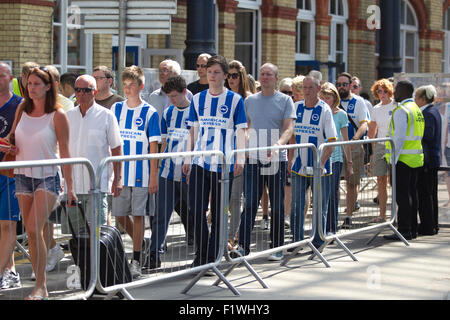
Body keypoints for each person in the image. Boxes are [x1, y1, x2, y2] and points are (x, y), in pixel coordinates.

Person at [9, 66, 77, 300]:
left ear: (49, 86)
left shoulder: (57, 114)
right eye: (29, 84)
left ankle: (41, 286)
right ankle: (40, 285)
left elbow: (66, 153)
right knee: (30, 230)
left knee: (34, 227)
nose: (32, 88)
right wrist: (9, 146)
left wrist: (71, 188)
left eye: (37, 84)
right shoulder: (22, 108)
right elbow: (13, 138)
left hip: (47, 176)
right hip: (21, 175)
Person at [182, 55, 247, 267]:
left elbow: (240, 130)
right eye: (209, 72)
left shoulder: (235, 100)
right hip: (201, 161)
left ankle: (211, 257)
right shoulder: (198, 99)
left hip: (223, 163)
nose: (212, 75)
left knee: (219, 213)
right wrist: (187, 157)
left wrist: (240, 157)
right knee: (195, 209)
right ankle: (202, 254)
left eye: (216, 72)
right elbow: (193, 130)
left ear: (226, 76)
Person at [235, 62, 295, 261]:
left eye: (269, 74)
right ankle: (242, 246)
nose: (266, 77)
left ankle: (277, 247)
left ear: (276, 78)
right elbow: (246, 128)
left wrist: (278, 144)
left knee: (277, 205)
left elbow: (288, 128)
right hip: (254, 158)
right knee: (250, 202)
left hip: (276, 160)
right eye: (263, 74)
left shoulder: (285, 100)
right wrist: (243, 153)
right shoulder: (250, 100)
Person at [110, 66, 161, 278]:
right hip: (121, 173)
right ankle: (141, 242)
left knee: (138, 214)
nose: (128, 89)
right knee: (120, 215)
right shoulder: (116, 109)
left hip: (141, 172)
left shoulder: (150, 112)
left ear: (140, 86)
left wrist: (153, 176)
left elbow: (154, 146)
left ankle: (137, 258)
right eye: (126, 85)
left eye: (132, 85)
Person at [144, 76, 193, 269]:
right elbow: (162, 142)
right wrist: (156, 170)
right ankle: (155, 254)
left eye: (174, 96)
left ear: (184, 92)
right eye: (169, 96)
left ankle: (204, 250)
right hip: (168, 171)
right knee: (161, 215)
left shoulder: (195, 112)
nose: (171, 100)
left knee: (195, 213)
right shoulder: (168, 112)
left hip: (189, 172)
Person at [64, 75, 122, 235]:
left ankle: (99, 261)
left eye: (86, 90)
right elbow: (62, 150)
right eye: (78, 90)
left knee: (97, 233)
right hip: (73, 186)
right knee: (75, 235)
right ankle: (82, 262)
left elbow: (117, 149)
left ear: (95, 92)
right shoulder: (68, 116)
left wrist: (118, 179)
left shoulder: (107, 115)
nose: (81, 93)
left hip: (97, 185)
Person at [290, 76, 337, 250]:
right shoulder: (296, 107)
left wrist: (321, 163)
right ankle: (297, 241)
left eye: (310, 87)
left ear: (318, 89)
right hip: (298, 166)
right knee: (296, 206)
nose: (307, 91)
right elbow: (292, 136)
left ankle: (318, 241)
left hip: (320, 168)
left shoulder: (324, 110)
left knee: (319, 206)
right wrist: (290, 159)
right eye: (304, 87)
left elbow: (331, 141)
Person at [384, 80, 424, 241]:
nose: (395, 93)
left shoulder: (402, 110)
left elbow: (398, 138)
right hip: (415, 159)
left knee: (402, 196)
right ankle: (412, 228)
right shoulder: (416, 109)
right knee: (412, 194)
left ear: (404, 91)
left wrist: (392, 160)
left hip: (403, 160)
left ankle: (404, 229)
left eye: (397, 90)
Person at [225, 60, 253, 250]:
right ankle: (221, 235)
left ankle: (231, 235)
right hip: (223, 152)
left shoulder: (248, 99)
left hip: (240, 153)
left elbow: (250, 127)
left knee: (235, 197)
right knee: (222, 198)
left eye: (235, 75)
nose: (231, 79)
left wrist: (241, 152)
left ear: (241, 77)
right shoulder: (223, 96)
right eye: (228, 75)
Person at [336, 72, 370, 228]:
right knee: (333, 182)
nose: (341, 87)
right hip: (335, 147)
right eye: (339, 84)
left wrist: (355, 138)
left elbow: (364, 124)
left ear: (350, 85)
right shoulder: (332, 101)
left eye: (344, 84)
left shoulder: (359, 102)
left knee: (351, 182)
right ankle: (332, 215)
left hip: (353, 146)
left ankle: (348, 216)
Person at [0, 62, 22, 290]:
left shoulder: (19, 105)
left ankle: (7, 271)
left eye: (2, 75)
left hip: (11, 171)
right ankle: (9, 270)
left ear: (11, 78)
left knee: (7, 224)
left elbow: (20, 137)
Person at [320, 82, 352, 235]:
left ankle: (331, 229)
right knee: (320, 195)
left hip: (336, 158)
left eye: (329, 98)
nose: (326, 100)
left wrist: (350, 163)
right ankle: (320, 227)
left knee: (332, 194)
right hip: (320, 157)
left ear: (335, 98)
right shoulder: (318, 111)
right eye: (324, 97)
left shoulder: (341, 115)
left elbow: (345, 141)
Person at [414, 85, 441, 235]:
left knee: (425, 194)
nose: (415, 100)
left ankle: (427, 225)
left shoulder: (428, 113)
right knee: (430, 194)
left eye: (416, 97)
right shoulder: (433, 111)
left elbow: (428, 135)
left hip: (428, 160)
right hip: (432, 159)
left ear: (423, 99)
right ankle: (432, 224)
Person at [368, 79, 395, 223]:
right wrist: (371, 151)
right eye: (379, 91)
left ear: (390, 91)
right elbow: (372, 130)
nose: (382, 94)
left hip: (394, 145)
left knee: (394, 181)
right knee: (380, 179)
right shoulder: (376, 108)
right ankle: (382, 215)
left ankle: (396, 213)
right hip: (380, 145)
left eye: (385, 91)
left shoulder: (396, 105)